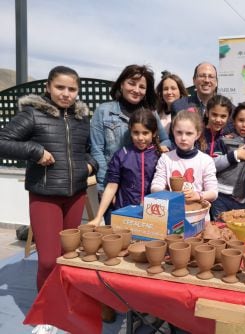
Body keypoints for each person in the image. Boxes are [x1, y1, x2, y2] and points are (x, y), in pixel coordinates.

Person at [0, 66, 98, 334]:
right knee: (47, 260)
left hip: (75, 194)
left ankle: (64, 302)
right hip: (44, 195)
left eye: (71, 89)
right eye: (60, 88)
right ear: (48, 87)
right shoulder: (32, 114)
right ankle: (45, 313)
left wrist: (89, 167)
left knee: (68, 255)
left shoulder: (81, 118)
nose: (66, 94)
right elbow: (3, 141)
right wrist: (35, 151)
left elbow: (88, 151)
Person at [90, 64, 169, 225]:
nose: (136, 89)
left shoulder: (151, 113)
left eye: (142, 86)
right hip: (113, 185)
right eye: (131, 83)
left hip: (146, 189)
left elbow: (166, 140)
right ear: (121, 84)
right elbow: (97, 149)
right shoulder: (104, 111)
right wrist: (107, 189)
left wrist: (160, 149)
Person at [88, 108, 161, 226]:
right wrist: (98, 217)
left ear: (154, 133)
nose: (140, 138)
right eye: (136, 132)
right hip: (124, 213)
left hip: (152, 215)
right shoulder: (121, 155)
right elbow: (111, 186)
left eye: (145, 133)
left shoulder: (160, 156)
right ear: (130, 131)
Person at [151, 109, 218, 205]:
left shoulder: (206, 160)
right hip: (172, 214)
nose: (183, 138)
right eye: (179, 132)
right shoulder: (165, 158)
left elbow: (213, 192)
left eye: (189, 133)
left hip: (198, 215)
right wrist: (168, 195)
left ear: (197, 135)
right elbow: (155, 185)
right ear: (173, 132)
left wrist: (198, 195)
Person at [209, 101, 245, 219]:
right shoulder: (224, 140)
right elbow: (212, 164)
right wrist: (234, 155)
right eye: (241, 120)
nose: (244, 124)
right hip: (220, 197)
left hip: (242, 199)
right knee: (220, 229)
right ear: (234, 121)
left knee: (238, 230)